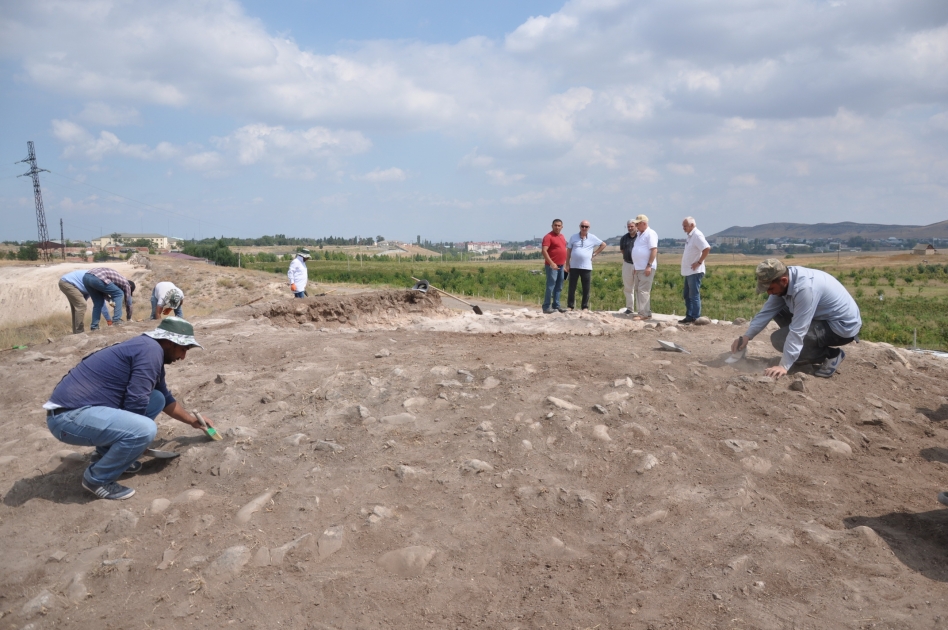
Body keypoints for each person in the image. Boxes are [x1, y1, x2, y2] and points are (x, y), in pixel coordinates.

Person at [43, 317, 216, 500]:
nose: (183, 357)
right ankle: (97, 479)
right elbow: (136, 400)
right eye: (183, 349)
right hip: (67, 418)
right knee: (144, 430)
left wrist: (192, 421)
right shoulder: (150, 351)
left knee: (156, 398)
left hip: (81, 411)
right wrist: (137, 441)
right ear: (169, 342)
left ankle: (104, 456)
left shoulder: (149, 348)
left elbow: (164, 398)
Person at [730, 259, 861, 379]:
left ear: (784, 281)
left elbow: (799, 329)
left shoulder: (806, 289)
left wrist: (784, 366)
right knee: (778, 310)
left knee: (779, 339)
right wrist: (747, 336)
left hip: (841, 327)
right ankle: (799, 352)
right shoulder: (784, 277)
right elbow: (766, 312)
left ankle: (831, 355)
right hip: (821, 318)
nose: (768, 293)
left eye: (770, 288)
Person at [565, 221, 606, 311]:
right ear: (579, 226)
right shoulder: (573, 237)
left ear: (589, 228)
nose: (584, 228)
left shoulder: (592, 237)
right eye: (582, 226)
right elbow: (568, 251)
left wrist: (594, 254)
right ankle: (570, 306)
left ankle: (584, 306)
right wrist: (567, 264)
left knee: (586, 288)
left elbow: (603, 244)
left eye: (586, 226)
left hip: (586, 267)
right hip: (574, 266)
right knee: (572, 287)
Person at [58, 269, 113, 334]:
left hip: (67, 282)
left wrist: (108, 320)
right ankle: (80, 333)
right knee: (81, 305)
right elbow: (101, 304)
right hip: (68, 282)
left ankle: (76, 333)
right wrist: (109, 321)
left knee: (77, 308)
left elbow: (99, 303)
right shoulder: (97, 282)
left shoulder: (94, 282)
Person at [679, 216, 711, 324]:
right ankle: (689, 316)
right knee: (687, 295)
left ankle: (696, 317)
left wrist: (699, 262)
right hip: (689, 270)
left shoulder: (697, 235)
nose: (683, 228)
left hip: (695, 271)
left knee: (693, 295)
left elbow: (706, 248)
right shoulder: (690, 236)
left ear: (692, 225)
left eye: (685, 226)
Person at [630, 214, 658, 321]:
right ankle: (644, 311)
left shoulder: (650, 234)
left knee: (643, 290)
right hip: (639, 267)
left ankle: (644, 313)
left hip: (646, 267)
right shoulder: (639, 235)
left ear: (644, 223)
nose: (636, 225)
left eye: (638, 223)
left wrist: (649, 265)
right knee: (638, 289)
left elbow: (654, 249)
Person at [541, 219, 568, 314]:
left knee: (559, 286)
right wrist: (551, 263)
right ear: (552, 226)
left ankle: (556, 305)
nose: (557, 227)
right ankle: (546, 306)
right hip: (551, 266)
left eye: (559, 225)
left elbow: (563, 250)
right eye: (555, 225)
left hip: (561, 266)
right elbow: (544, 251)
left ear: (562, 227)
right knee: (551, 286)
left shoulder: (562, 236)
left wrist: (564, 264)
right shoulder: (548, 237)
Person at [618, 219, 638, 314]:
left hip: (638, 265)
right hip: (627, 264)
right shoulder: (624, 238)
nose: (630, 228)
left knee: (639, 288)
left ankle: (642, 309)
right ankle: (630, 308)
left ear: (636, 226)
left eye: (632, 226)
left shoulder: (640, 237)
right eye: (628, 226)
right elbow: (622, 250)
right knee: (628, 287)